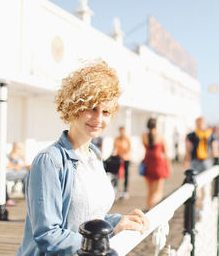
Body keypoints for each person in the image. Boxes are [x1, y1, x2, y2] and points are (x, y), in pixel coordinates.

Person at [17, 61, 149, 256]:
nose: (98, 119)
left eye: (105, 112)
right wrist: (99, 244)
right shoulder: (49, 161)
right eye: (91, 108)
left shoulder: (94, 155)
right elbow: (47, 234)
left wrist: (118, 222)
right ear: (73, 107)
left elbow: (89, 216)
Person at [141, 118, 170, 210]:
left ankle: (149, 208)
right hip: (158, 164)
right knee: (158, 191)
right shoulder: (160, 135)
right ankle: (154, 209)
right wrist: (168, 166)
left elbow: (146, 147)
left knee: (149, 191)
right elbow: (166, 151)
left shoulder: (144, 135)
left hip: (147, 162)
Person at [112, 126, 131, 199]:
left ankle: (125, 190)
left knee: (126, 174)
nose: (121, 133)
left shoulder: (127, 139)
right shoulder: (116, 139)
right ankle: (117, 190)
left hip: (126, 159)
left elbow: (129, 149)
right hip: (119, 158)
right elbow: (114, 148)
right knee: (116, 174)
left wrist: (124, 155)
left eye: (123, 131)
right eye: (120, 131)